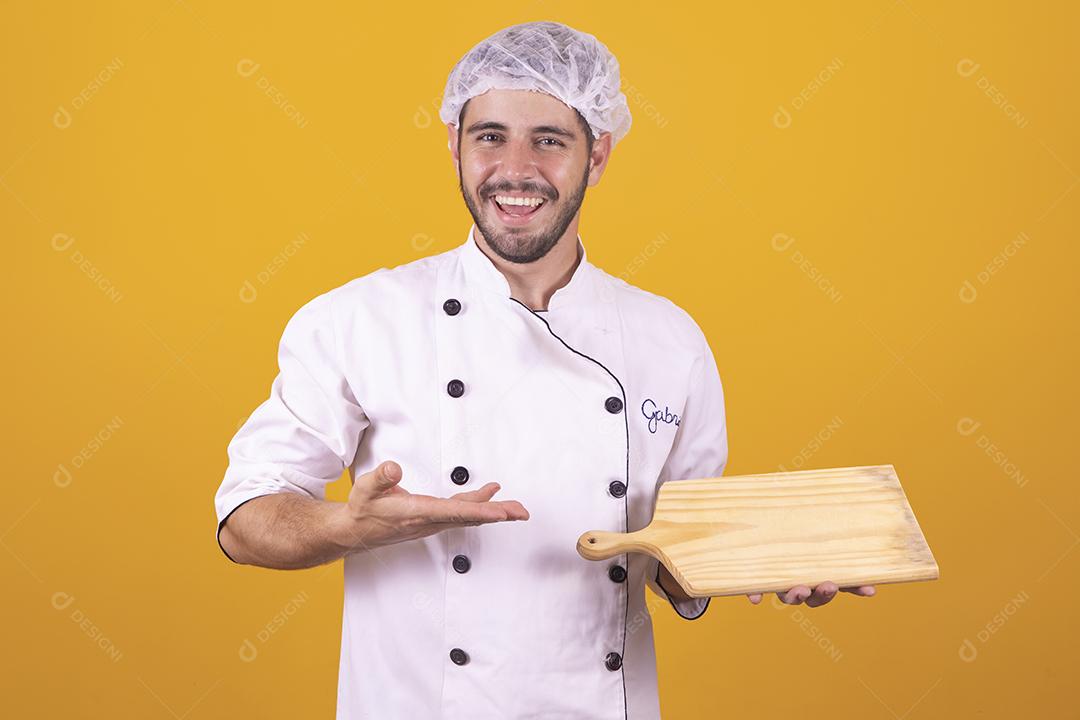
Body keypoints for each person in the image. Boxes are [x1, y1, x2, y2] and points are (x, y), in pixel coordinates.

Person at [213, 20, 873, 719]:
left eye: (550, 140)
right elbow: (245, 515)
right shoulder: (357, 320)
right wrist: (347, 527)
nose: (515, 168)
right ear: (453, 145)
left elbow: (677, 563)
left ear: (598, 155)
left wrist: (771, 562)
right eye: (490, 136)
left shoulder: (669, 340)